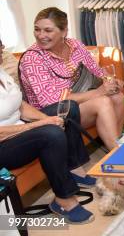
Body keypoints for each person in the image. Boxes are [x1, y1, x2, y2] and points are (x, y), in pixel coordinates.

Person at [0, 38, 94, 223]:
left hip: (19, 128)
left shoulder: (2, 70)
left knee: (69, 107)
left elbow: (20, 105)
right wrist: (42, 124)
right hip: (4, 144)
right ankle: (64, 200)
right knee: (51, 134)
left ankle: (74, 169)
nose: (3, 47)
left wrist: (48, 118)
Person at [19, 8, 124, 164]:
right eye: (37, 29)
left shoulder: (75, 45)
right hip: (51, 113)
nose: (41, 35)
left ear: (64, 31)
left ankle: (117, 145)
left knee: (117, 96)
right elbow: (52, 102)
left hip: (79, 101)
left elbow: (97, 71)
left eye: (48, 30)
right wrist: (99, 92)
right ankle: (122, 158)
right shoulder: (32, 59)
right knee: (103, 101)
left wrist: (110, 80)